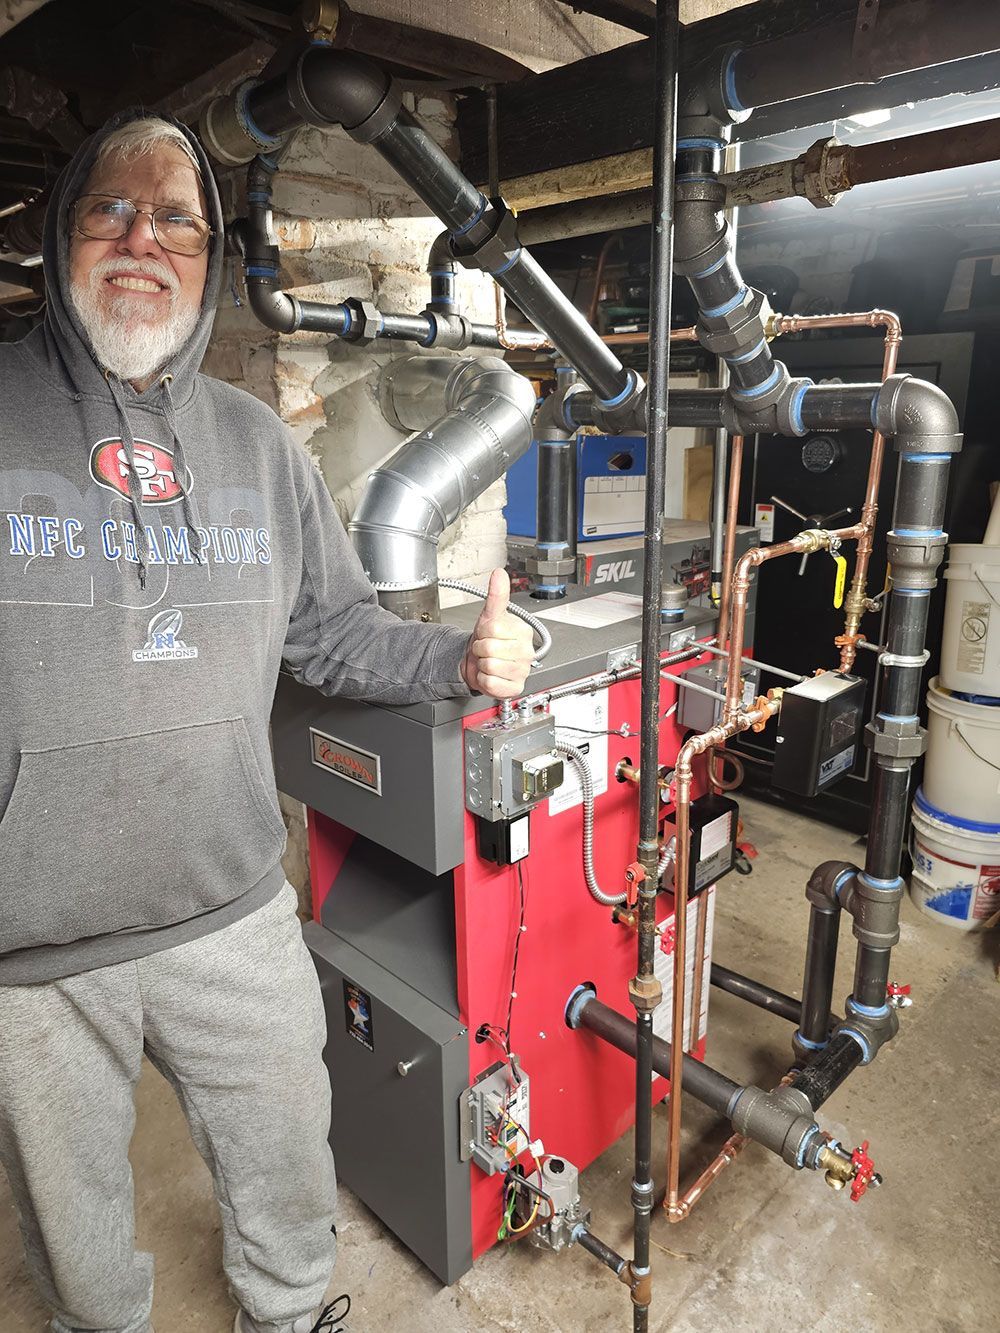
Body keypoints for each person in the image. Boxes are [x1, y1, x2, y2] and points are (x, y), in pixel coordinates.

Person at [0, 109, 534, 1333]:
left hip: (233, 909)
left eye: (178, 217)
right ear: (58, 233)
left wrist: (464, 657)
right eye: (112, 209)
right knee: (75, 1241)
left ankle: (286, 1318)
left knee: (291, 1168)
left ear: (211, 249)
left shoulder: (255, 447)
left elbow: (334, 633)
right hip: (31, 948)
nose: (145, 238)